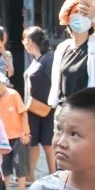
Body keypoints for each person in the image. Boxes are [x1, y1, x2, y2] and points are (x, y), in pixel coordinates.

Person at [21, 26, 56, 180]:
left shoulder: (49, 59)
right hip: (33, 109)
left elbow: (56, 83)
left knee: (48, 144)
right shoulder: (37, 59)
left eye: (24, 40)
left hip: (47, 109)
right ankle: (30, 176)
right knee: (32, 143)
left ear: (30, 41)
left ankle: (54, 175)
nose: (23, 43)